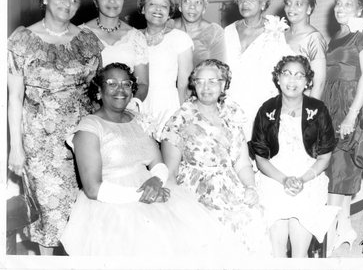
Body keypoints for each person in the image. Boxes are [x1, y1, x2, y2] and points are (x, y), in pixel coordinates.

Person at [60, 62, 235, 257]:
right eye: (112, 83)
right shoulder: (89, 128)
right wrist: (143, 196)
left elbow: (158, 164)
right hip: (112, 203)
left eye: (126, 84)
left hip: (150, 189)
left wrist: (156, 179)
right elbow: (93, 189)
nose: (120, 89)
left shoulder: (137, 119)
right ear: (99, 91)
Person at [7, 0, 103, 255]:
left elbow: (98, 91)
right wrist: (16, 147)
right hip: (40, 139)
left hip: (83, 136)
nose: (69, 3)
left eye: (74, 0)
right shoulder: (22, 39)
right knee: (49, 208)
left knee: (83, 205)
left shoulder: (87, 39)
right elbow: (14, 97)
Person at [161, 59, 271, 257]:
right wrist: (178, 206)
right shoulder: (179, 119)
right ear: (193, 84)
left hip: (230, 186)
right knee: (220, 226)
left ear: (224, 84)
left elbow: (243, 163)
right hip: (196, 190)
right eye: (200, 81)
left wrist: (250, 188)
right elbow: (170, 170)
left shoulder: (232, 115)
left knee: (254, 215)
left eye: (213, 81)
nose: (206, 87)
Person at [251, 55, 339, 258]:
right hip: (274, 173)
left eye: (299, 75)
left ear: (308, 81)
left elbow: (325, 156)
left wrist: (303, 179)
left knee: (303, 212)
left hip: (309, 172)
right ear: (278, 78)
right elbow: (261, 158)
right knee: (276, 247)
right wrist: (283, 179)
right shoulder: (266, 110)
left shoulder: (318, 110)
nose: (292, 81)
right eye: (287, 74)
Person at [321, 0, 363, 255]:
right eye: (338, 4)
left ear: (360, 9)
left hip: (352, 103)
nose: (340, 8)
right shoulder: (336, 36)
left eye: (348, 4)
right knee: (339, 165)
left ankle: (331, 232)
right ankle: (344, 226)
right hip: (331, 101)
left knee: (339, 164)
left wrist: (351, 115)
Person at [225, 0, 294, 140]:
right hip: (230, 105)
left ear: (263, 2)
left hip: (261, 105)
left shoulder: (276, 30)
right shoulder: (227, 31)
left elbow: (287, 72)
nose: (244, 2)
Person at [79, 0, 149, 109]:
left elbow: (143, 84)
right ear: (95, 0)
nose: (112, 0)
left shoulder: (136, 37)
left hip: (126, 109)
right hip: (88, 111)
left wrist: (126, 106)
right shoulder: (80, 34)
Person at [138, 0, 194, 139]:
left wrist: (185, 118)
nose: (158, 9)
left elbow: (184, 85)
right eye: (152, 4)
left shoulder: (180, 39)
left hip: (168, 106)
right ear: (143, 9)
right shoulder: (132, 37)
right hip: (138, 104)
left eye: (164, 6)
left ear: (170, 13)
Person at [283, 0, 327, 99]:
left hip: (302, 103)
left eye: (298, 4)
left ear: (309, 9)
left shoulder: (314, 38)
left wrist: (309, 113)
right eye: (288, 3)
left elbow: (319, 84)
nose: (291, 8)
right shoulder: (280, 34)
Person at [174, 0, 227, 67]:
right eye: (187, 1)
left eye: (198, 2)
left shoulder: (215, 32)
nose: (192, 6)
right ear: (180, 6)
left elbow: (218, 71)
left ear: (204, 9)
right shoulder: (168, 27)